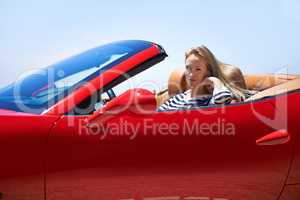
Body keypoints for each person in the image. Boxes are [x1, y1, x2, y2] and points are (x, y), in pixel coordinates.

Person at [158, 45, 252, 111]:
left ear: (208, 72)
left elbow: (223, 99)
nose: (191, 74)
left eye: (198, 69)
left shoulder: (209, 101)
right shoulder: (176, 99)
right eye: (188, 68)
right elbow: (156, 118)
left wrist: (215, 81)